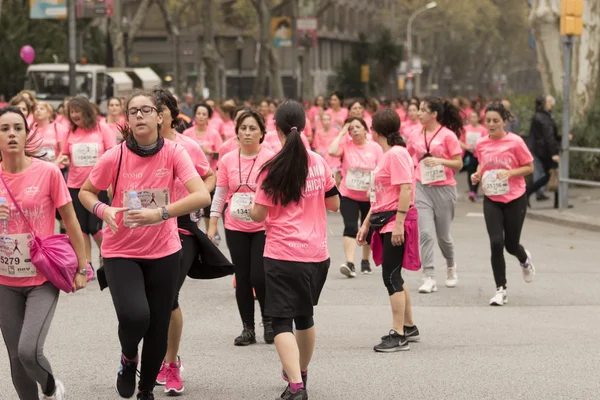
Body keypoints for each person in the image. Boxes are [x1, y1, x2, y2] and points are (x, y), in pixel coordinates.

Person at [78, 90, 211, 400]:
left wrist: (160, 213)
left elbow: (201, 195)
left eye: (146, 110)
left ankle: (146, 389)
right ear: (127, 119)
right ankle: (128, 357)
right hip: (120, 250)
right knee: (136, 316)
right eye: (133, 111)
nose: (139, 115)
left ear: (159, 117)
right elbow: (86, 192)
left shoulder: (176, 153)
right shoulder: (115, 156)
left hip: (164, 251)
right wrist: (104, 209)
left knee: (157, 325)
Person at [250, 101, 339, 400]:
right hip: (316, 255)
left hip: (282, 254)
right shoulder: (318, 162)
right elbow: (334, 204)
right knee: (305, 316)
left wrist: (248, 209)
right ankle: (301, 374)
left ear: (275, 128)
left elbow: (258, 215)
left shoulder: (271, 169)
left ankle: (297, 387)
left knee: (280, 321)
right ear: (303, 126)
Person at [0, 106, 89, 400]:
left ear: (27, 134)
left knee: (28, 351)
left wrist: (81, 266)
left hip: (42, 276)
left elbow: (71, 220)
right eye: (4, 129)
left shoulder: (47, 172)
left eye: (17, 128)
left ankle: (51, 387)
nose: (11, 133)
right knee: (15, 358)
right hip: (4, 280)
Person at [152, 88, 216, 395]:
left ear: (171, 114)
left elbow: (210, 176)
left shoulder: (188, 146)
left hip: (183, 226)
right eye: (149, 110)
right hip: (148, 226)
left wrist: (198, 199)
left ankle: (172, 362)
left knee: (169, 295)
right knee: (148, 301)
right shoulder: (135, 147)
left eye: (160, 110)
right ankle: (146, 357)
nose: (155, 115)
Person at [208, 109, 275, 346]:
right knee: (243, 277)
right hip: (235, 225)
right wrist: (213, 223)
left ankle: (269, 322)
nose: (247, 133)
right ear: (236, 132)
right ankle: (248, 328)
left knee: (260, 275)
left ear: (261, 133)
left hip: (262, 227)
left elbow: (277, 194)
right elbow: (220, 193)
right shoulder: (227, 159)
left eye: (252, 128)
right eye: (243, 128)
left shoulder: (270, 158)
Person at [356, 108, 420, 352]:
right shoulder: (387, 154)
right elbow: (380, 196)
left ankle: (398, 334)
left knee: (391, 276)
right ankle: (409, 326)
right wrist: (366, 224)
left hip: (396, 220)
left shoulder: (397, 154)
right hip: (384, 219)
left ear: (376, 131)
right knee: (395, 275)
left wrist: (400, 223)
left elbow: (406, 189)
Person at [470, 103, 536, 306]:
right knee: (496, 242)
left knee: (511, 245)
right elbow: (482, 162)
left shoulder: (515, 142)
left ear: (504, 122)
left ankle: (524, 259)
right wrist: (478, 174)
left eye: (495, 121)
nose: (491, 125)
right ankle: (501, 289)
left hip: (515, 197)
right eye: (488, 121)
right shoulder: (481, 143)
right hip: (491, 198)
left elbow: (529, 167)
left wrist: (511, 173)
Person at [407, 96, 463, 293]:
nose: (419, 113)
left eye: (423, 110)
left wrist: (441, 161)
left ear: (434, 114)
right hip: (422, 186)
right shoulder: (415, 134)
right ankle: (429, 276)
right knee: (425, 233)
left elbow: (458, 163)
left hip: (444, 188)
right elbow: (409, 154)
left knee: (443, 236)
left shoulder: (448, 136)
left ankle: (450, 265)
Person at [61, 96, 115, 271]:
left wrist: (111, 182)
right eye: (72, 112)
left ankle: (106, 254)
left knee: (95, 227)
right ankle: (87, 264)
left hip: (97, 186)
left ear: (86, 111)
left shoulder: (101, 127)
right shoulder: (70, 132)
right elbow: (64, 156)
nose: (75, 115)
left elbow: (112, 154)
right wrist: (60, 160)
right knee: (82, 228)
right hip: (75, 185)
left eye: (78, 111)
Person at [329, 117, 382, 277]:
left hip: (369, 195)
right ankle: (350, 263)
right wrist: (342, 132)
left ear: (366, 129)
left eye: (358, 127)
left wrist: (372, 187)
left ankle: (365, 261)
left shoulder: (375, 148)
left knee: (369, 228)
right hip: (348, 194)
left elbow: (380, 168)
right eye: (351, 129)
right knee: (351, 226)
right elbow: (331, 151)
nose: (355, 131)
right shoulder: (346, 145)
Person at [526, 95, 562, 208]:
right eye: (549, 102)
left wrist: (562, 137)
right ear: (544, 104)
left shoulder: (542, 116)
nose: (552, 103)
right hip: (546, 151)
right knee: (553, 173)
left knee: (551, 174)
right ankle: (527, 192)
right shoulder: (544, 117)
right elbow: (548, 137)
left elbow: (550, 135)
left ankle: (558, 201)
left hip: (542, 150)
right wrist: (554, 153)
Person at [460, 110, 488, 201]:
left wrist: (478, 148)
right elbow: (460, 140)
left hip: (479, 154)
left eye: (475, 117)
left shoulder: (483, 130)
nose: (473, 119)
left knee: (478, 171)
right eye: (471, 117)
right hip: (469, 153)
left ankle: (475, 191)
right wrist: (467, 147)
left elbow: (486, 141)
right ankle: (472, 191)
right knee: (470, 172)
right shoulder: (465, 129)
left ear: (478, 118)